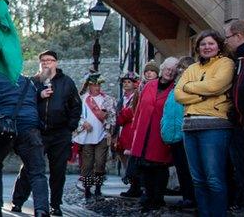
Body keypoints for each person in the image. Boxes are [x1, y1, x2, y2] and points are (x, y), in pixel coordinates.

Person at [10, 50, 79, 216]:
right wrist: (39, 96)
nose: (46, 63)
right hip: (37, 132)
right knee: (29, 168)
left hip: (60, 133)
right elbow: (23, 104)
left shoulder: (66, 82)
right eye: (43, 60)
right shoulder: (32, 82)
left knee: (58, 171)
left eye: (50, 60)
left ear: (56, 63)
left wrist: (70, 126)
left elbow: (76, 105)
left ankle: (55, 204)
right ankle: (18, 201)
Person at [176, 30, 235, 217]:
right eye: (203, 44)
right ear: (198, 47)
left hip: (214, 126)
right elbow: (178, 94)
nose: (206, 47)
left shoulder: (226, 63)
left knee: (214, 178)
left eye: (210, 43)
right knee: (198, 179)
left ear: (218, 45)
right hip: (190, 126)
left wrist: (190, 88)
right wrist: (202, 94)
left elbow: (216, 85)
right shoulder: (191, 68)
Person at [0, 73, 49, 217]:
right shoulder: (28, 82)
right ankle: (41, 210)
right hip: (30, 128)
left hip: (2, 129)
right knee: (37, 172)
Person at [129, 57, 177, 211]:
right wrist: (135, 129)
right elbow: (138, 109)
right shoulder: (149, 86)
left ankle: (158, 197)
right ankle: (148, 195)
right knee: (144, 166)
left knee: (159, 166)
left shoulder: (176, 89)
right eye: (167, 68)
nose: (169, 71)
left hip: (160, 132)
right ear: (162, 69)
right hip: (144, 131)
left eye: (173, 69)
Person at [225, 20, 244, 216]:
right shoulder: (240, 60)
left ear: (238, 36)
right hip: (242, 127)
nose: (226, 42)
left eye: (227, 37)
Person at [73, 72, 115, 199]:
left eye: (99, 85)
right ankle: (87, 189)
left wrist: (107, 118)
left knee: (100, 162)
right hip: (86, 137)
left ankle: (98, 188)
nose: (97, 87)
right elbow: (76, 115)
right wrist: (83, 123)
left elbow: (113, 117)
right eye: (94, 85)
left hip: (101, 135)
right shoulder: (82, 99)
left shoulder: (107, 99)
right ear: (89, 85)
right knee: (87, 164)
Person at [161, 56, 195, 210]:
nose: (180, 71)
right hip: (174, 135)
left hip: (185, 132)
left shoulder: (191, 86)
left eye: (184, 68)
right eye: (179, 68)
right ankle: (187, 197)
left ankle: (191, 198)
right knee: (182, 168)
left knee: (189, 169)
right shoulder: (175, 87)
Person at [114, 70, 141, 198]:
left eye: (129, 82)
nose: (125, 84)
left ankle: (136, 187)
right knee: (126, 161)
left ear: (135, 83)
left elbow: (130, 113)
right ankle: (132, 185)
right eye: (124, 82)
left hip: (131, 131)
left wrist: (121, 116)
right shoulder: (123, 99)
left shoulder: (136, 97)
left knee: (133, 161)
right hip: (123, 132)